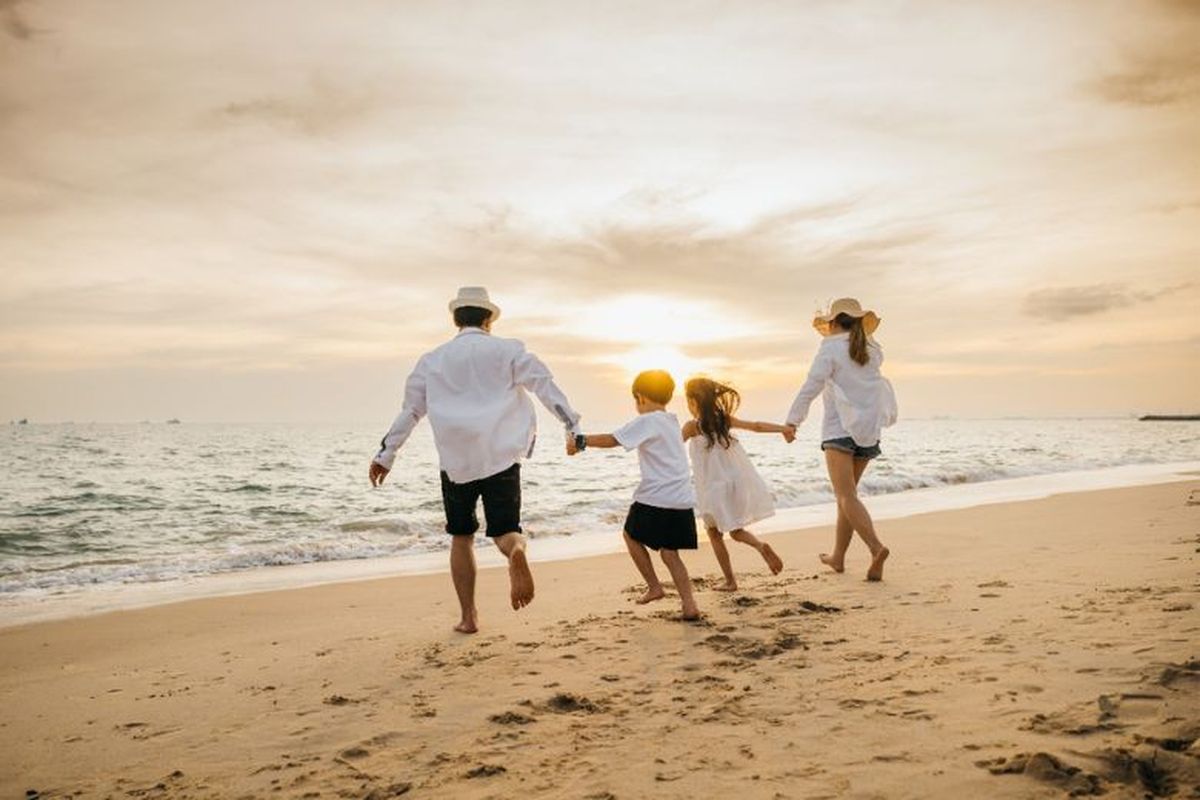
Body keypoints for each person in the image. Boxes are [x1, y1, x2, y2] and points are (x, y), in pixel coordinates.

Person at [369, 286, 582, 633]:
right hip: (501, 456)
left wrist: (386, 454)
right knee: (506, 530)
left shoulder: (432, 360)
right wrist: (571, 425)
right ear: (487, 320)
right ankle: (514, 552)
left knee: (461, 536)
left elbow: (411, 411)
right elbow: (544, 385)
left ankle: (469, 617)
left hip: (456, 463)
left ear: (456, 319)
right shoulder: (508, 350)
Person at [567, 370, 701, 621]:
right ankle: (689, 604)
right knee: (670, 553)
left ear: (640, 397)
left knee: (630, 535)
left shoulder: (647, 420)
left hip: (657, 496)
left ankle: (654, 586)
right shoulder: (671, 420)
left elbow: (613, 439)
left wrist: (580, 442)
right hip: (681, 497)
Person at [784, 298, 898, 581]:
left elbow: (811, 385)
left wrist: (792, 421)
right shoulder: (872, 348)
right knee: (847, 498)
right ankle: (838, 557)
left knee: (846, 496)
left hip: (839, 430)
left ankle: (876, 547)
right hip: (867, 431)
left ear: (833, 322)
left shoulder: (830, 348)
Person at [683, 377, 792, 591]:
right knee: (735, 530)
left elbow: (672, 448)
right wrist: (783, 429)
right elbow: (757, 426)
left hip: (714, 488)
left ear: (694, 401)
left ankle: (731, 581)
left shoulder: (691, 427)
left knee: (714, 534)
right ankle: (760, 547)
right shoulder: (723, 420)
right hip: (736, 481)